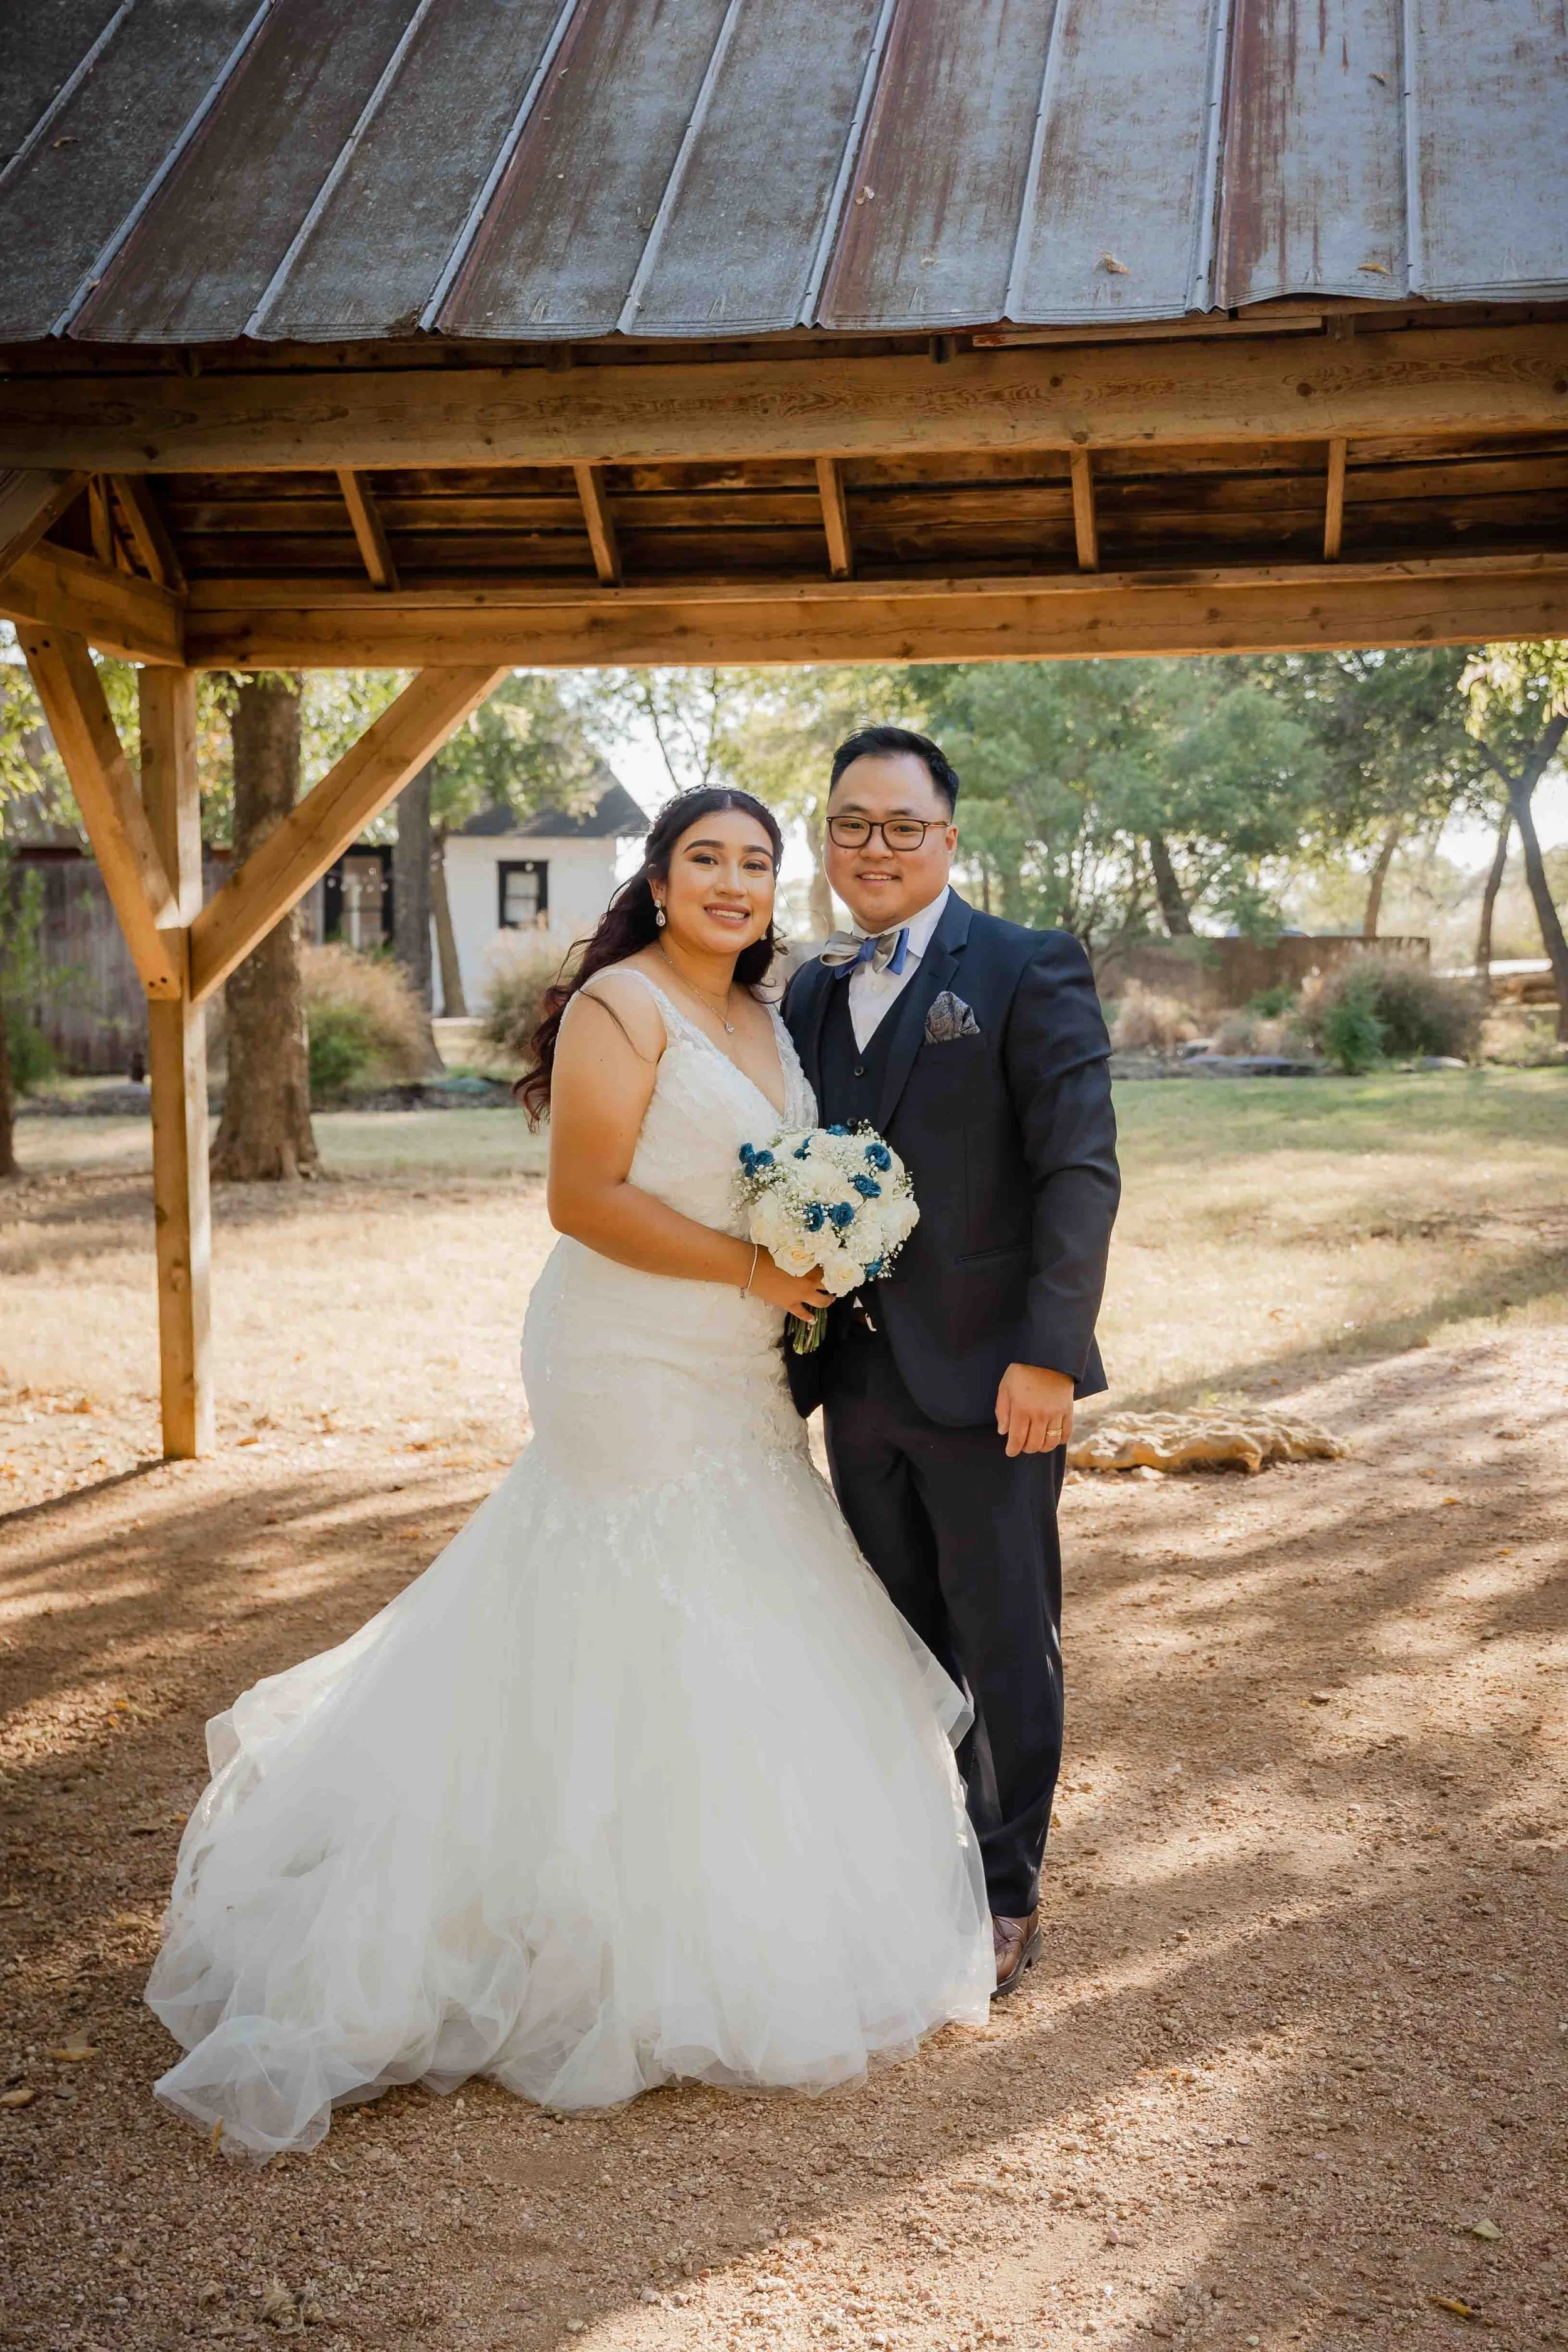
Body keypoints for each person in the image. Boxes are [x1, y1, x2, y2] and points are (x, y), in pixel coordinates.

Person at [146, 786, 992, 2161]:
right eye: (704, 859)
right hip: (623, 1350)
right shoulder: (621, 1005)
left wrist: (814, 1255)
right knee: (632, 1594)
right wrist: (754, 1268)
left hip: (734, 1362)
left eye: (755, 864)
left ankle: (715, 1914)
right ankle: (551, 1936)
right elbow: (583, 1199)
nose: (731, 881)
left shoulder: (771, 1016)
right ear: (658, 881)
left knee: (746, 1592)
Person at [782, 728, 1120, 1997]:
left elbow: (1077, 1173)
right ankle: (916, 1868)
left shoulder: (1027, 968)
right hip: (852, 1380)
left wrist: (1049, 1359)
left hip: (992, 1381)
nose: (872, 848)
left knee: (1004, 1637)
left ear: (947, 840)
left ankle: (1004, 1891)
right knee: (895, 1639)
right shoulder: (813, 990)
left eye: (899, 826)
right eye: (848, 825)